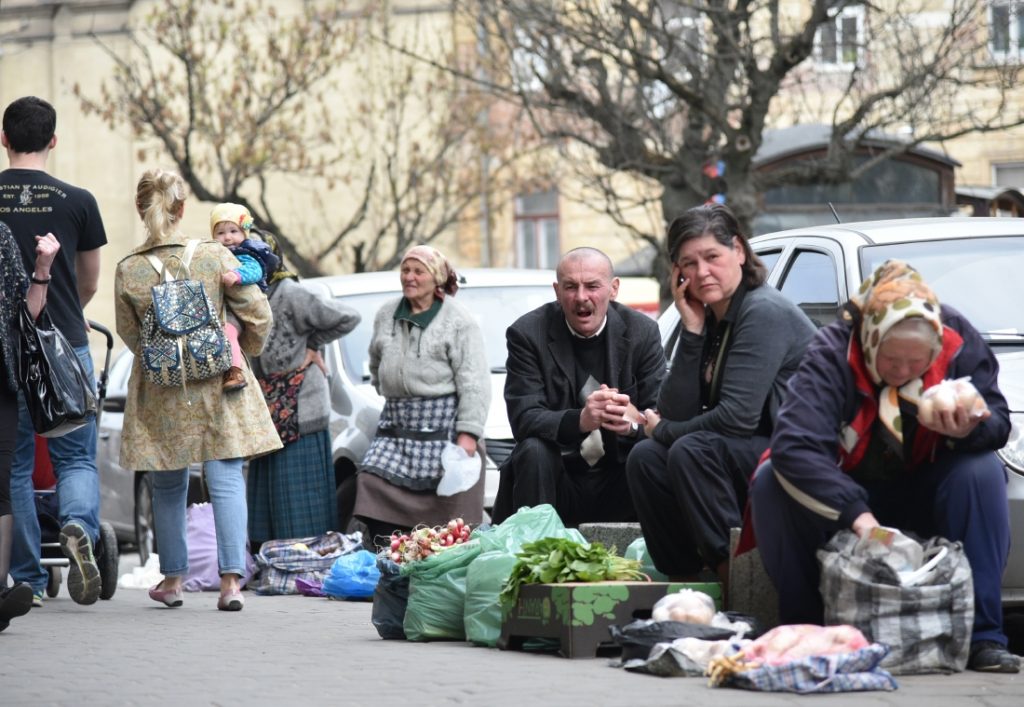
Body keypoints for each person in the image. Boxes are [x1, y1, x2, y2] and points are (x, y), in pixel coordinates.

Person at [750, 260, 1020, 674]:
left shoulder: (957, 341)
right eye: (892, 360)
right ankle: (807, 627)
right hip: (848, 494)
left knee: (981, 470)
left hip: (929, 486)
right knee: (771, 481)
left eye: (917, 363)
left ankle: (984, 636)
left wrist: (964, 429)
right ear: (871, 340)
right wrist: (858, 515)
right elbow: (796, 445)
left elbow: (998, 422)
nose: (903, 372)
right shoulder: (833, 351)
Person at [114, 168, 281, 611]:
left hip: (162, 387)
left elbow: (131, 335)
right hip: (219, 383)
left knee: (167, 481)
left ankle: (172, 580)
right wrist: (236, 350)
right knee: (225, 477)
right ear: (183, 208)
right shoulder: (215, 256)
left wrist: (171, 359)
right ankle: (230, 584)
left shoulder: (129, 269)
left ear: (140, 208)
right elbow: (259, 313)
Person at [625, 204, 815, 592]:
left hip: (798, 450)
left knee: (692, 449)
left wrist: (663, 432)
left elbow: (736, 419)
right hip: (748, 448)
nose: (701, 272)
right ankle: (684, 587)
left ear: (740, 252)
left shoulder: (762, 311)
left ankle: (738, 585)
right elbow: (677, 407)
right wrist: (692, 331)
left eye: (712, 257)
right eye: (688, 264)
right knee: (645, 459)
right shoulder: (706, 315)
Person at [1, 96, 107, 606]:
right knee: (76, 459)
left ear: (4, 139)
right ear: (53, 140)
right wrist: (68, 311)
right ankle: (77, 526)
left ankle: (27, 578)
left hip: (6, 352)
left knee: (16, 465)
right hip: (65, 345)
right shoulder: (79, 200)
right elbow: (88, 280)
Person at [491, 247, 666, 528]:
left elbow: (661, 413)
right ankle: (534, 556)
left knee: (651, 452)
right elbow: (524, 418)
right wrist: (581, 420)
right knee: (533, 449)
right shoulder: (527, 334)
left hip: (619, 477)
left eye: (592, 286)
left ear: (614, 289)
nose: (581, 297)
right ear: (557, 291)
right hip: (558, 478)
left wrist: (633, 423)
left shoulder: (641, 332)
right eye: (570, 287)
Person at [351, 245, 489, 545]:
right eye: (405, 270)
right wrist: (384, 383)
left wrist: (468, 435)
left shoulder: (458, 321)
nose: (409, 277)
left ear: (436, 278)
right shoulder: (387, 313)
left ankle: (437, 566)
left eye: (418, 271)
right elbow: (376, 359)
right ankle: (388, 559)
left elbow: (475, 382)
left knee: (450, 506)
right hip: (396, 426)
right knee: (372, 480)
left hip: (444, 427)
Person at [246, 233, 360, 547]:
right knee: (268, 491)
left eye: (260, 252)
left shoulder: (291, 293)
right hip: (267, 406)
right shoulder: (248, 296)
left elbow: (348, 317)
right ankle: (272, 558)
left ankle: (306, 557)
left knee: (298, 492)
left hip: (302, 406)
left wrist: (312, 346)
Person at [0, 223, 59, 630]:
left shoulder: (2, 236)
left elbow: (26, 314)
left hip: (1, 382)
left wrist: (43, 267)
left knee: (2, 485)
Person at [209, 202, 281, 392]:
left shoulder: (245, 253)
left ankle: (235, 371)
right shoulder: (213, 254)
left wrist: (237, 275)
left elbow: (255, 270)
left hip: (237, 310)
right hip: (219, 308)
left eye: (233, 231)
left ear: (244, 233)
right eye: (221, 233)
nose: (227, 237)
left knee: (229, 332)